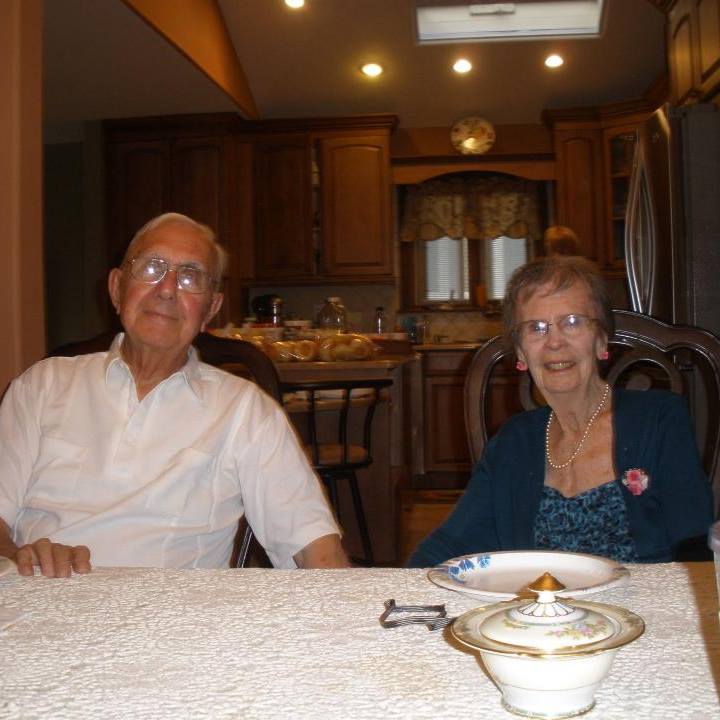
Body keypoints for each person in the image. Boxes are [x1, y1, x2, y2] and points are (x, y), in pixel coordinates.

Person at [0, 212, 349, 576]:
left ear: (211, 309)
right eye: (152, 267)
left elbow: (316, 550)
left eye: (190, 276)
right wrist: (18, 556)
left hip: (174, 609)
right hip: (41, 597)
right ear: (117, 289)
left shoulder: (244, 410)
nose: (167, 289)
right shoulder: (40, 386)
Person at [409, 256, 713, 566]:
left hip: (644, 597)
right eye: (536, 328)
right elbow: (452, 543)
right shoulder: (513, 442)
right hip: (534, 599)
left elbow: (696, 547)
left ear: (601, 341)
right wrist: (394, 587)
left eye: (572, 322)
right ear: (521, 353)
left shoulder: (659, 420)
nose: (554, 342)